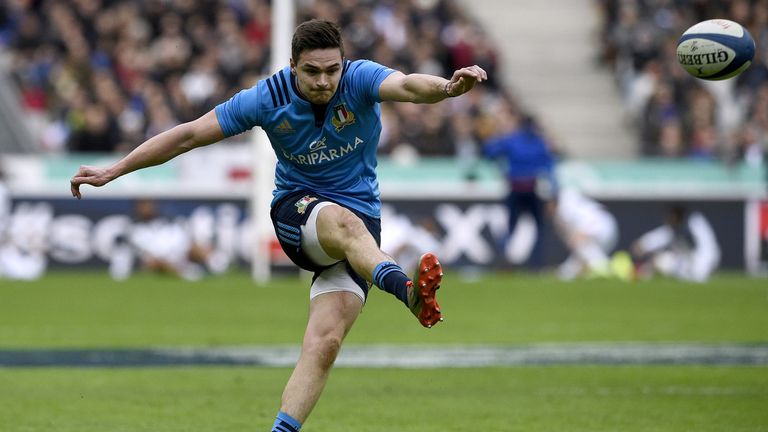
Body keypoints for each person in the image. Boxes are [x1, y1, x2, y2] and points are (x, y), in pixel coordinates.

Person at [69, 19, 487, 432]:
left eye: (331, 70)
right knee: (343, 222)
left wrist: (448, 88)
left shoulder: (360, 79)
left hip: (361, 229)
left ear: (344, 63)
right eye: (311, 71)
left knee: (324, 345)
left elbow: (410, 85)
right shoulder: (267, 97)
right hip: (297, 213)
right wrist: (115, 170)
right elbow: (188, 135)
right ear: (292, 66)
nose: (324, 81)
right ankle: (408, 292)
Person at [483, 107, 557, 270]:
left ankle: (504, 260)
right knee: (539, 227)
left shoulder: (512, 139)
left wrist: (502, 169)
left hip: (515, 187)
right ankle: (537, 264)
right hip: (532, 188)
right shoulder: (540, 142)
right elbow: (549, 167)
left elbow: (489, 152)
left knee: (511, 227)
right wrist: (553, 193)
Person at [631, 205, 721, 283]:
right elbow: (663, 235)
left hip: (701, 264)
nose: (669, 220)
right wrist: (644, 244)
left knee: (662, 260)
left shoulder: (693, 222)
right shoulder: (687, 222)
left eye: (671, 217)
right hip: (696, 262)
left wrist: (644, 244)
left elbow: (666, 234)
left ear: (676, 216)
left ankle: (642, 273)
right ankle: (642, 273)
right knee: (661, 259)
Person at [547, 188, 621, 281]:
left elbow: (588, 221)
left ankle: (605, 269)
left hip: (601, 224)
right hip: (605, 224)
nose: (547, 207)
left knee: (582, 246)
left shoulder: (566, 208)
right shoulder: (564, 208)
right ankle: (566, 273)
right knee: (583, 250)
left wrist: (582, 233)